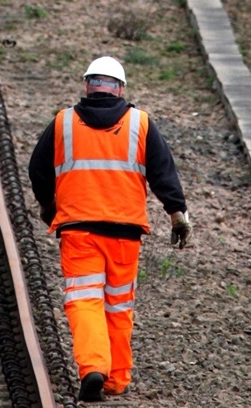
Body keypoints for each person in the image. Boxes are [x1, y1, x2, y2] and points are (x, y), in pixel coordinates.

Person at [29, 56, 191, 402]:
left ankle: (93, 369)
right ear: (120, 88)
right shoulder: (140, 123)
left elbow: (38, 170)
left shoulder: (64, 123)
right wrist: (177, 214)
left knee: (85, 300)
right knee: (118, 306)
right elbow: (163, 172)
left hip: (79, 231)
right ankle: (116, 379)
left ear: (88, 85)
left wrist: (48, 205)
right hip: (125, 232)